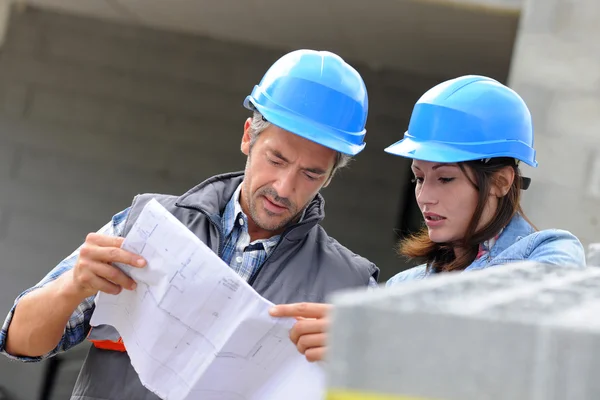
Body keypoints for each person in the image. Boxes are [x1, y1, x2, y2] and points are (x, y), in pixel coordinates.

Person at [0, 49, 380, 399]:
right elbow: (19, 343)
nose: (284, 188)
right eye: (276, 159)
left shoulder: (352, 288)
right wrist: (73, 285)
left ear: (330, 176)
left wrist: (357, 364)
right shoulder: (147, 226)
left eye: (311, 174)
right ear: (249, 137)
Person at [269, 74, 586, 363]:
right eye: (419, 178)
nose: (424, 196)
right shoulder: (403, 287)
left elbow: (522, 338)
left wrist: (374, 333)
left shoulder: (551, 253)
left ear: (502, 181)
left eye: (445, 179)